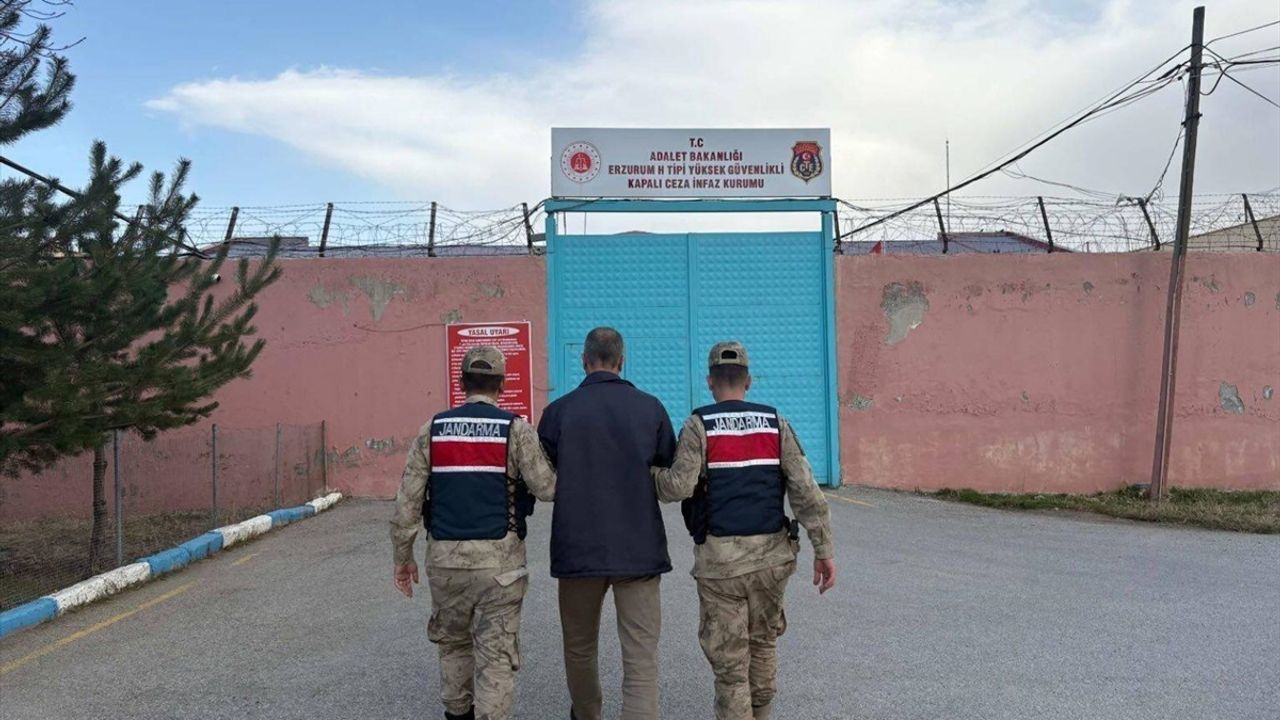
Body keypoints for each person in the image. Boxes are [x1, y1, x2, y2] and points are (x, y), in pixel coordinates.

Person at [653, 341, 837, 720]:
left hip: (720, 565)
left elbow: (678, 487)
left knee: (731, 667)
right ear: (748, 381)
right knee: (764, 643)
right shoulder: (775, 422)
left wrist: (651, 474)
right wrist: (824, 550)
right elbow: (806, 491)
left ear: (710, 381)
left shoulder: (698, 425)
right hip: (772, 560)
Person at [390, 346, 557, 720]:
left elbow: (406, 505)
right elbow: (547, 489)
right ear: (502, 384)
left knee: (453, 647)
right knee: (495, 656)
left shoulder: (432, 431)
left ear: (461, 383)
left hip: (444, 562)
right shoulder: (516, 430)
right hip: (501, 566)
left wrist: (403, 558)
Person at [536, 326, 676, 720]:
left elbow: (540, 473)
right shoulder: (650, 408)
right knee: (640, 654)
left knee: (579, 647)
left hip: (577, 550)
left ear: (584, 361)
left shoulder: (558, 412)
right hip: (639, 550)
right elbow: (667, 467)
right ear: (622, 361)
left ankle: (587, 713)